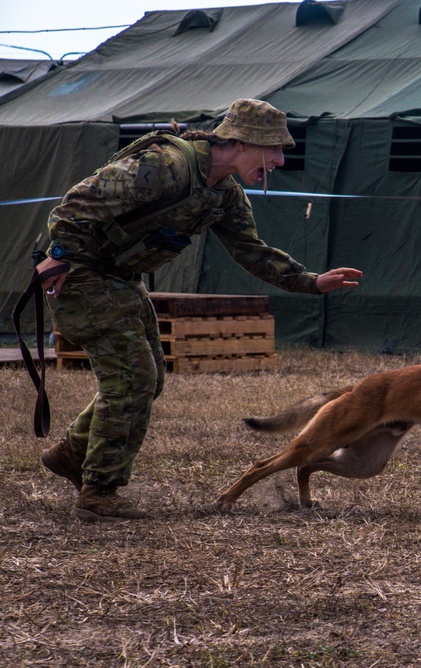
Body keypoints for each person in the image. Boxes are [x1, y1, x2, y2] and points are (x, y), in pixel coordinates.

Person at [34, 99, 362, 522]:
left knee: (149, 380)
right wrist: (56, 255)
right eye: (275, 149)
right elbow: (78, 203)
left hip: (121, 277)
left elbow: (250, 251)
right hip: (81, 272)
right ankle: (99, 491)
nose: (280, 161)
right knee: (133, 378)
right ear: (242, 141)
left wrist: (311, 281)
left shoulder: (224, 194)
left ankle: (70, 454)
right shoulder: (168, 165)